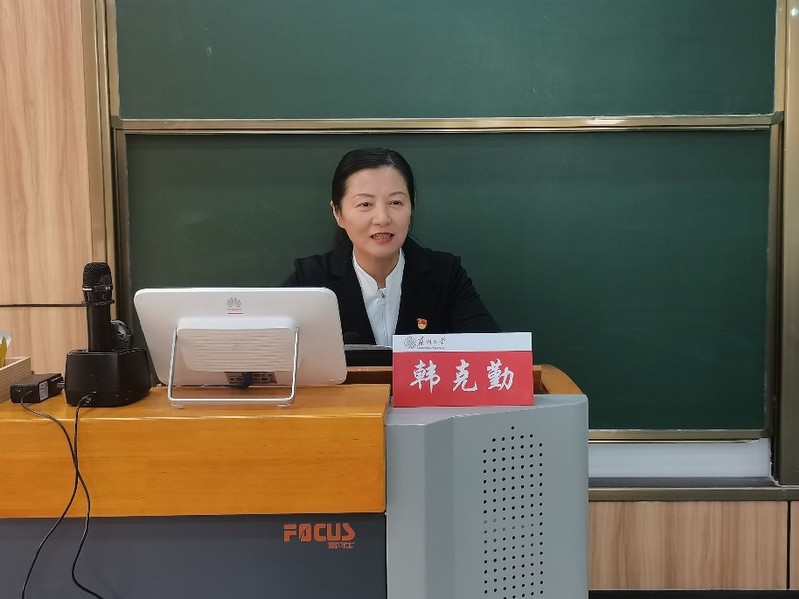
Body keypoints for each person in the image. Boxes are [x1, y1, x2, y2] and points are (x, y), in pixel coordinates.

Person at [283, 148, 499, 345]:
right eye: (365, 204)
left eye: (395, 202)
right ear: (338, 213)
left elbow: (491, 351)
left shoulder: (446, 274)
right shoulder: (309, 280)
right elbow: (270, 355)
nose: (382, 218)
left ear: (411, 207)